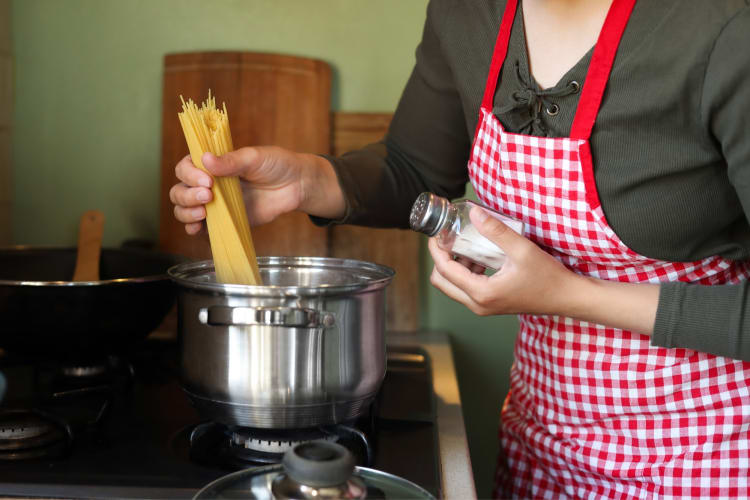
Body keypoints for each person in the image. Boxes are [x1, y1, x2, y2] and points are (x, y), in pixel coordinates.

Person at [169, 0, 750, 497]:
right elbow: (416, 167)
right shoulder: (469, 12)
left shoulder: (724, 29)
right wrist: (310, 182)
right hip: (547, 443)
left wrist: (570, 295)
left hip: (709, 452)